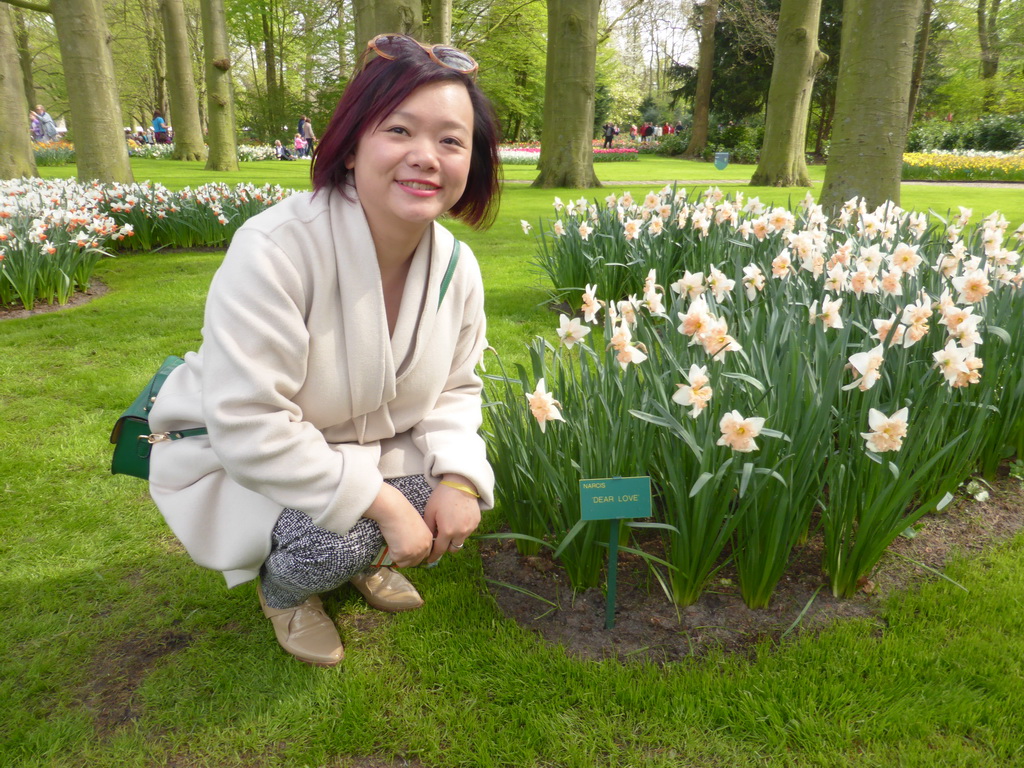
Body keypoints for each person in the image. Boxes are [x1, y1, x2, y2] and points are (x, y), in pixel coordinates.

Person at [146, 34, 500, 667]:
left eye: (451, 140)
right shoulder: (277, 249)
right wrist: (389, 507)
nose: (426, 157)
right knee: (348, 535)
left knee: (441, 500)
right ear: (353, 142)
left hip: (369, 448)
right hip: (250, 459)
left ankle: (366, 554)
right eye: (399, 130)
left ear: (472, 160)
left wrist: (456, 479)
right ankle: (286, 591)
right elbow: (250, 426)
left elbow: (456, 389)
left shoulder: (456, 266)